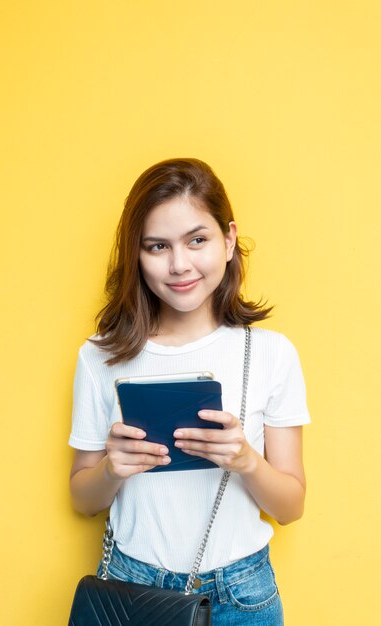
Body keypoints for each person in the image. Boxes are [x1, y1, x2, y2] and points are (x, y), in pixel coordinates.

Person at [69, 158, 310, 625]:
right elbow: (82, 498)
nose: (179, 264)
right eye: (157, 246)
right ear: (136, 255)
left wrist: (244, 459)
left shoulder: (270, 353)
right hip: (133, 589)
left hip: (243, 597)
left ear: (228, 239)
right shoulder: (100, 356)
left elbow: (291, 506)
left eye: (197, 240)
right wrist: (112, 470)